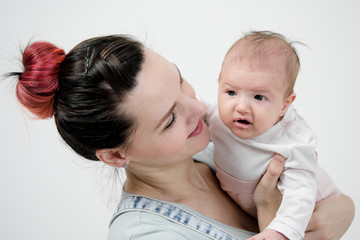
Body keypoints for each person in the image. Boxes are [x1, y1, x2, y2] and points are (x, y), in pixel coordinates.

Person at [10, 34, 354, 240]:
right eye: (170, 119)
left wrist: (344, 210)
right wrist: (269, 210)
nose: (196, 106)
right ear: (115, 155)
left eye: (179, 81)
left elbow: (329, 195)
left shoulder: (209, 148)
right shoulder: (146, 234)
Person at [206, 31, 344, 239]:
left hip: (315, 204)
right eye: (231, 92)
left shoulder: (294, 145)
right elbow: (192, 109)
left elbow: (300, 197)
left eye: (259, 97)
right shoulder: (216, 115)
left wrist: (280, 232)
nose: (241, 106)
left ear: (284, 105)